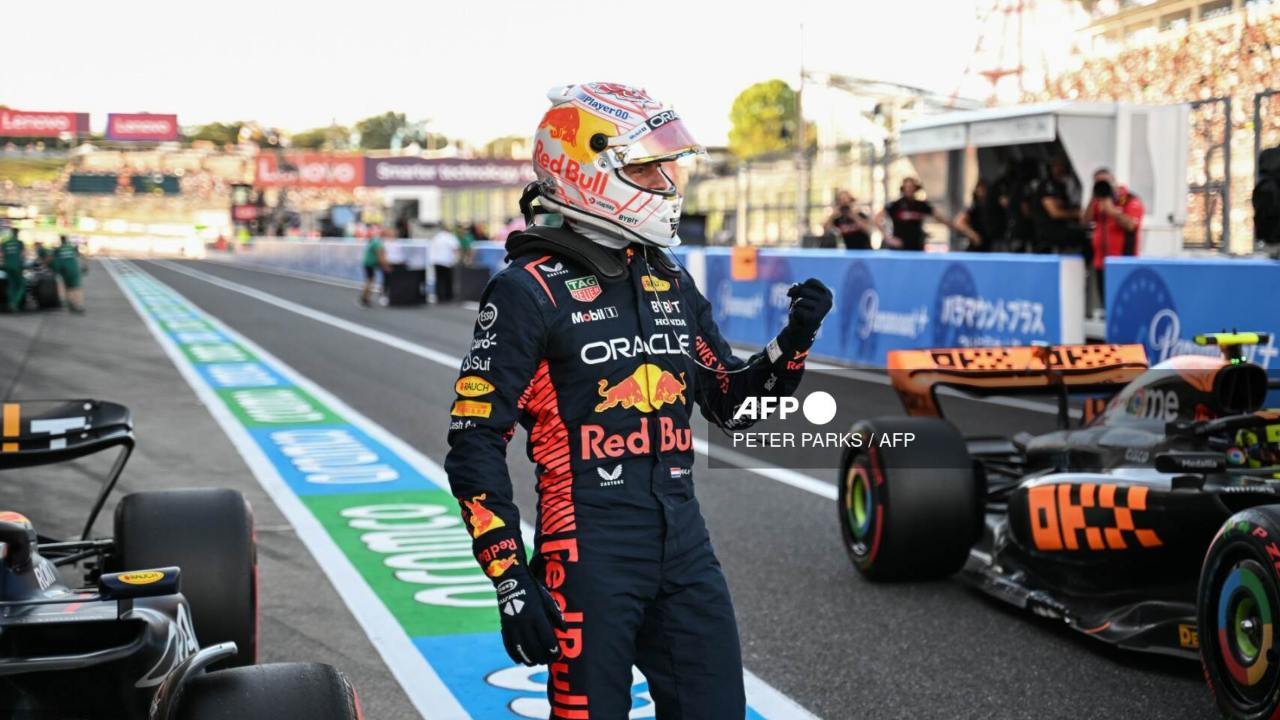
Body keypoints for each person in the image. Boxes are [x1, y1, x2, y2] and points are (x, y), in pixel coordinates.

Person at [444, 82, 832, 719]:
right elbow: (475, 442)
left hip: (684, 542)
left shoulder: (667, 276)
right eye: (647, 166)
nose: (668, 182)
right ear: (586, 171)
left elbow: (730, 400)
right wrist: (511, 579)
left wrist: (791, 343)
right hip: (588, 552)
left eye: (667, 164)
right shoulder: (524, 291)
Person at [1082, 167, 1143, 305]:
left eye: (1105, 182)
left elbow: (1131, 225)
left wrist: (1112, 211)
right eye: (1098, 183)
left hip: (1123, 261)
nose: (1102, 185)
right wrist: (1093, 198)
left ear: (1113, 182)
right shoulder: (1098, 202)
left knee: (1123, 302)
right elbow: (1085, 222)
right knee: (1106, 303)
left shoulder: (1130, 200)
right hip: (1101, 263)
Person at [875, 177, 979, 251]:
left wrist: (955, 226)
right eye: (907, 187)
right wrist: (888, 238)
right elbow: (877, 218)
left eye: (912, 187)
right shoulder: (895, 205)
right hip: (900, 246)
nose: (909, 189)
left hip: (917, 245)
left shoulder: (921, 205)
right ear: (903, 188)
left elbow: (939, 218)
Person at [1031, 155, 1085, 254]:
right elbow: (1055, 213)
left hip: (1061, 228)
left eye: (1062, 165)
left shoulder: (1062, 185)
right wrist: (1076, 213)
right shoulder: (1047, 185)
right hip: (1049, 231)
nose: (1061, 169)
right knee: (1083, 236)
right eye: (1057, 166)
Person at [955, 179, 1001, 252]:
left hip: (990, 244)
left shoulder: (993, 207)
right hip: (977, 246)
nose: (982, 192)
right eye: (980, 190)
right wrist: (973, 235)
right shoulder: (974, 207)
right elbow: (959, 222)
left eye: (984, 190)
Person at [51, 235, 84, 313]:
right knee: (76, 288)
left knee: (67, 288)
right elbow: (80, 256)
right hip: (74, 270)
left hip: (64, 271)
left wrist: (56, 270)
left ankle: (71, 304)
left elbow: (55, 261)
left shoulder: (58, 250)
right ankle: (78, 305)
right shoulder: (72, 248)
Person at [359, 227, 390, 307]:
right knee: (371, 281)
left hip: (369, 263)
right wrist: (385, 266)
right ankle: (364, 298)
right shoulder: (378, 242)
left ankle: (365, 298)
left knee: (370, 280)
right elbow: (380, 256)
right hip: (370, 264)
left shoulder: (377, 241)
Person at [429, 225, 461, 303]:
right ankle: (448, 296)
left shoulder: (436, 237)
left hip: (436, 261)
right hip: (447, 261)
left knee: (439, 279)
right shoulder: (450, 237)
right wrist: (456, 259)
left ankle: (439, 296)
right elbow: (456, 248)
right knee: (448, 279)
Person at [2, 228, 25, 313]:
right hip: (17, 266)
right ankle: (15, 303)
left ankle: (10, 302)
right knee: (22, 285)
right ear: (17, 233)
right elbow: (22, 255)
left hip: (7, 266)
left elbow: (3, 256)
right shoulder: (19, 243)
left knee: (11, 286)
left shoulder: (4, 243)